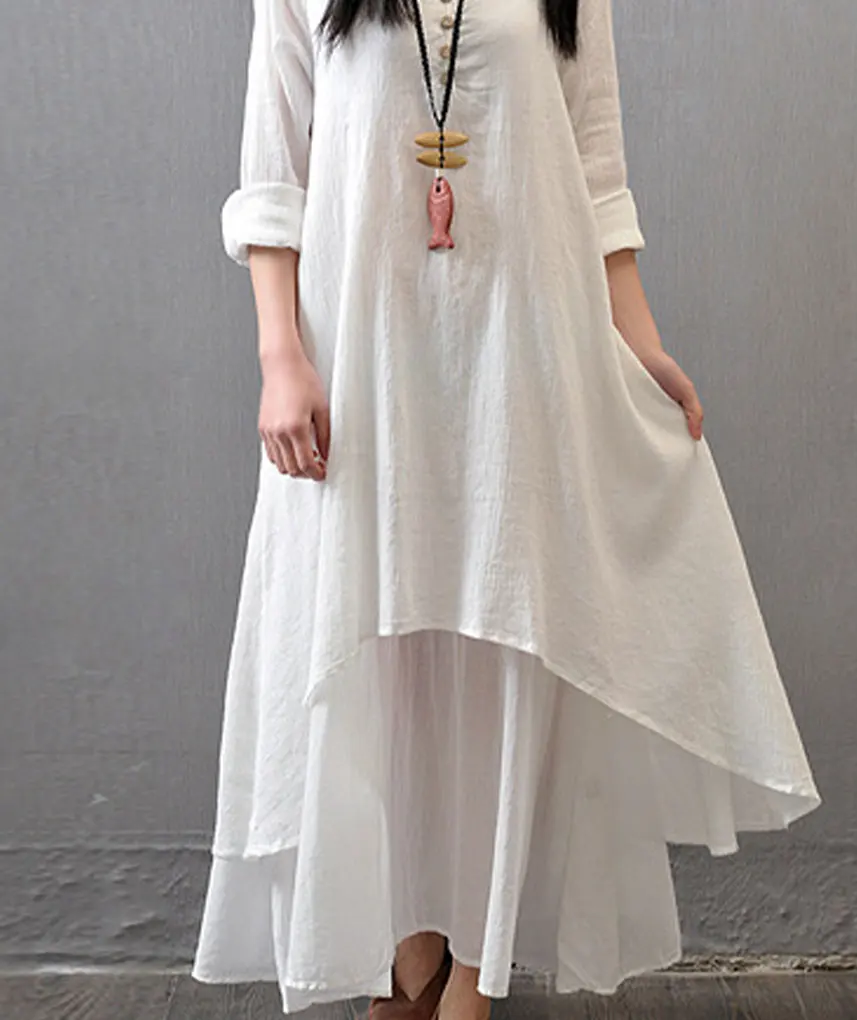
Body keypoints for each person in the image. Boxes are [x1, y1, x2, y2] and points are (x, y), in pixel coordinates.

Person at [190, 0, 822, 1017]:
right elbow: (275, 173)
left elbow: (595, 173)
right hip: (363, 355)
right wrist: (280, 358)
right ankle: (411, 958)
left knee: (512, 642)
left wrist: (641, 343)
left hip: (525, 346)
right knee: (376, 645)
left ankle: (475, 977)